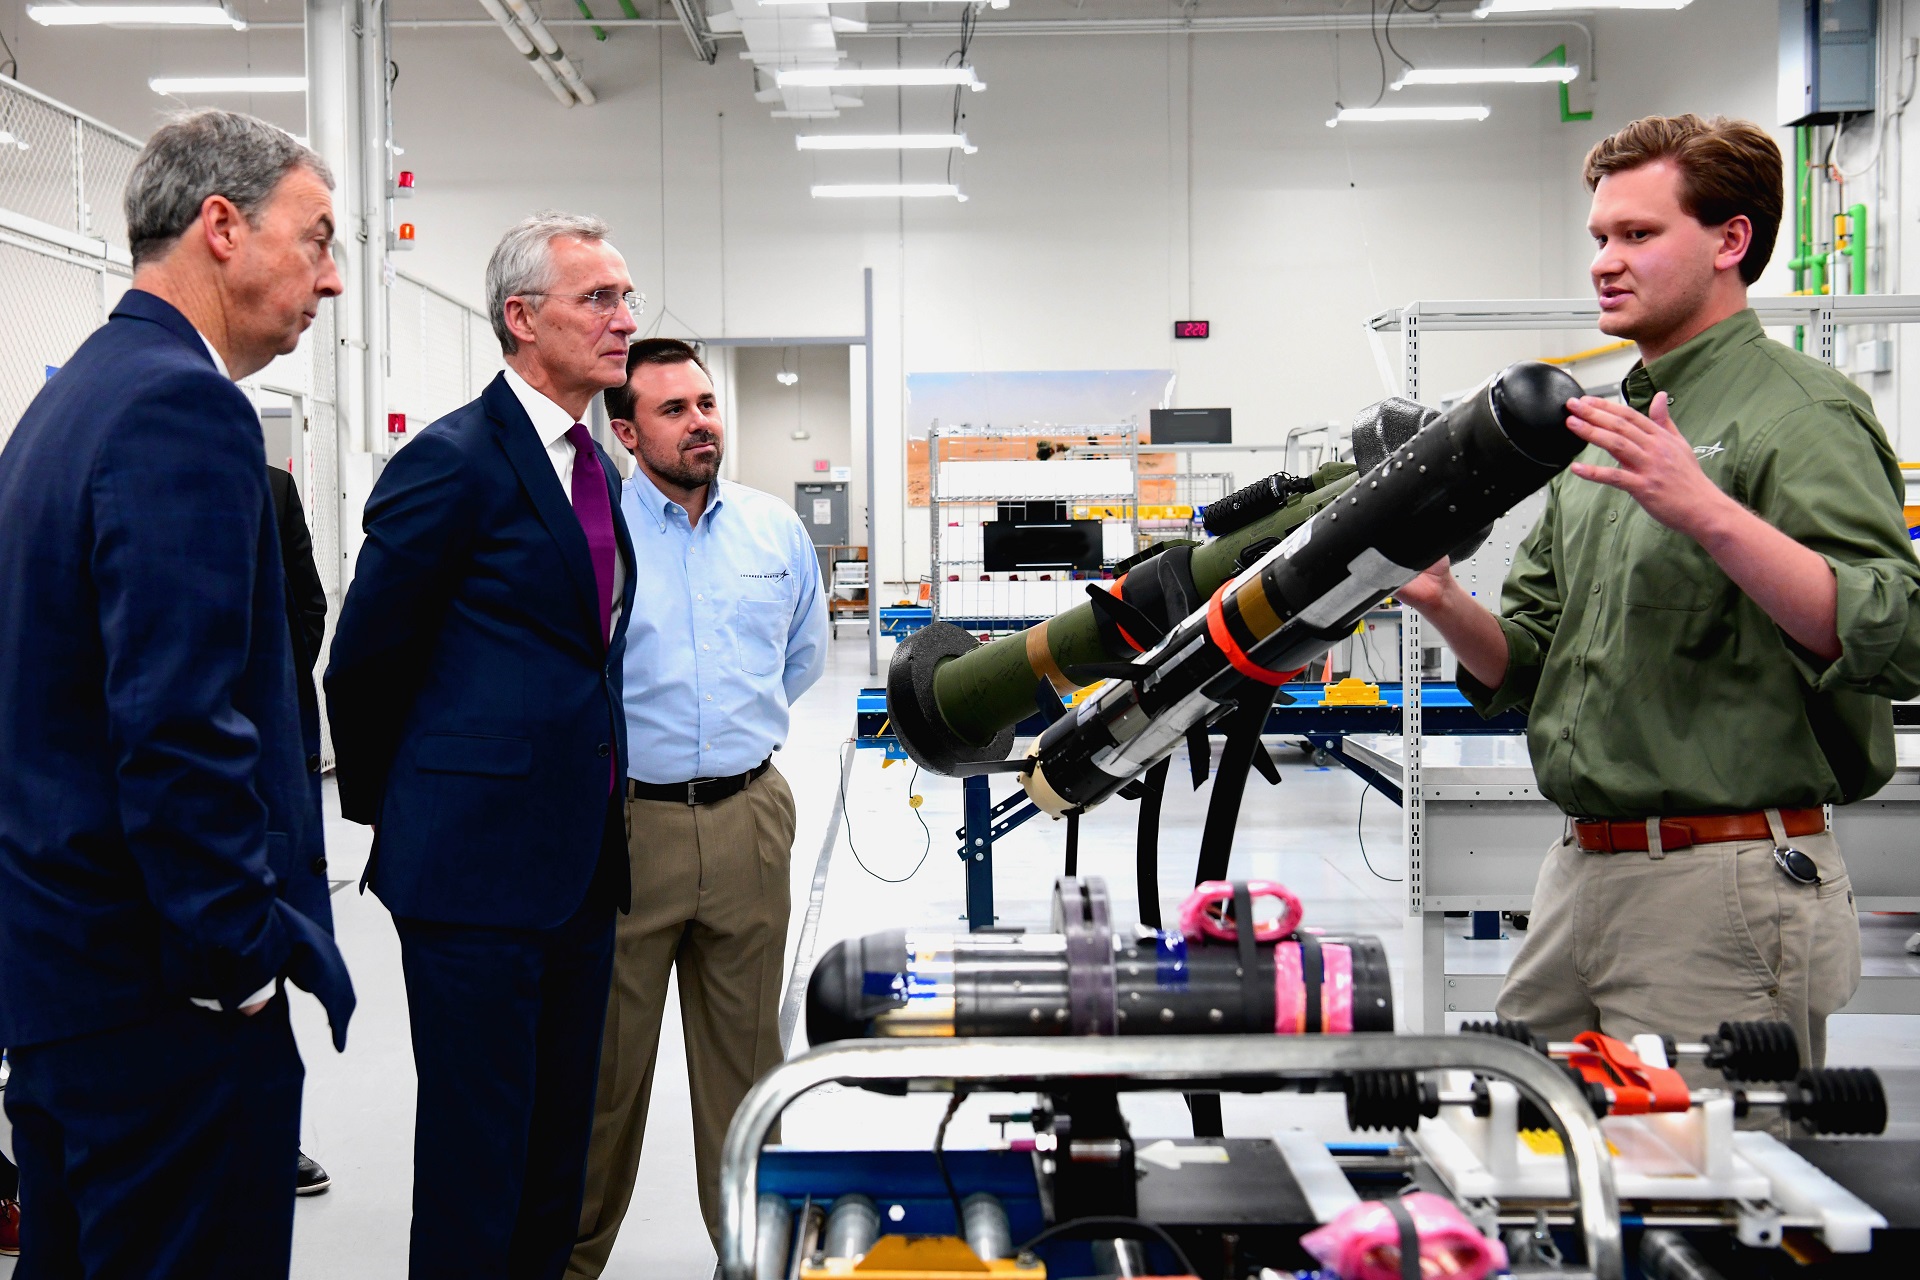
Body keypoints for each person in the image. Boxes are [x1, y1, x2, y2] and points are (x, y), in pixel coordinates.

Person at [1398, 114, 1920, 1067]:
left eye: (1639, 235)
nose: (1606, 260)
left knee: (1695, 1181)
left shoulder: (1799, 413)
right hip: (1578, 876)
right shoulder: (1607, 426)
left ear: (1731, 241)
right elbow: (1531, 660)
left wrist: (1711, 514)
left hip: (1722, 885)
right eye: (1600, 237)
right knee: (1511, 1143)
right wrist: (1439, 598)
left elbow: (1898, 630)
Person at [0, 109, 355, 1277]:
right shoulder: (181, 407)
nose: (334, 278)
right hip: (164, 1011)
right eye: (316, 239)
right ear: (220, 227)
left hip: (62, 985)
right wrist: (237, 970)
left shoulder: (63, 406)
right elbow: (180, 726)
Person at [326, 212, 640, 1280]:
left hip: (580, 865)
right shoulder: (454, 461)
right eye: (597, 298)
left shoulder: (591, 466)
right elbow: (361, 664)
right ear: (522, 318)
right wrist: (407, 815)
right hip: (471, 879)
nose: (625, 319)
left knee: (559, 1155)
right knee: (479, 1159)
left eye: (626, 296)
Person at [570, 338, 826, 1275]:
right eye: (674, 410)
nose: (701, 422)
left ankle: (752, 1257)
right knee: (604, 1076)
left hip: (750, 819)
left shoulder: (772, 531)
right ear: (627, 430)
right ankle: (574, 1258)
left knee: (748, 1070)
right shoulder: (591, 534)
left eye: (708, 403)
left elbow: (801, 660)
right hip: (629, 827)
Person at [267, 463, 336, 1198]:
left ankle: (270, 1134)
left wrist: (269, 691)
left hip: (272, 747)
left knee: (272, 939)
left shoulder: (273, 489)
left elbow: (308, 605)